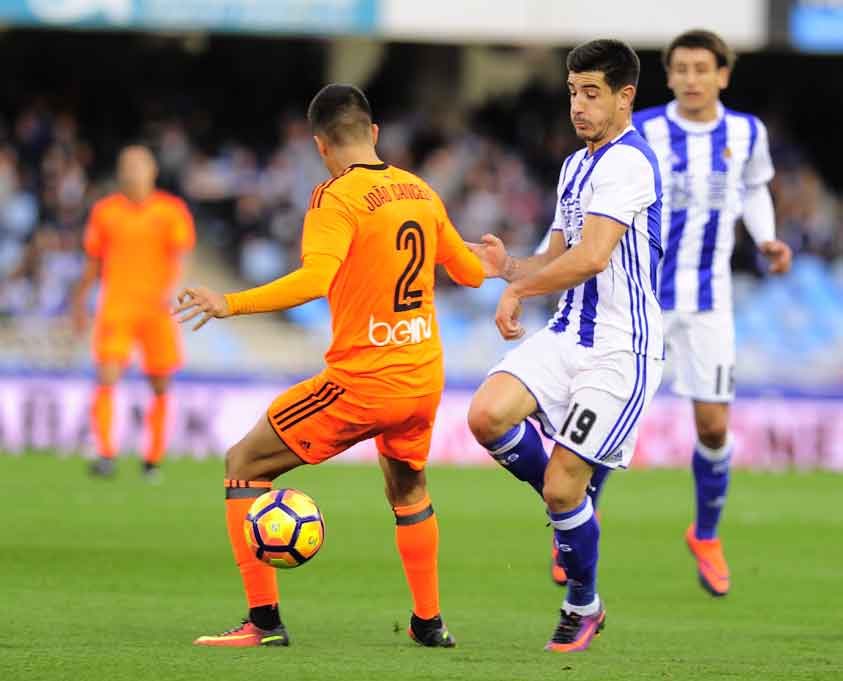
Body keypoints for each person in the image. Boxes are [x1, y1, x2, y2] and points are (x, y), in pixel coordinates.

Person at [175, 84, 486, 648]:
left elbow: (315, 280)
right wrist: (493, 262)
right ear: (373, 133)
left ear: (320, 145)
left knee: (244, 461)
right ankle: (429, 622)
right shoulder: (420, 190)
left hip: (366, 380)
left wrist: (231, 302)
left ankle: (263, 624)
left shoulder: (334, 197)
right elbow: (467, 272)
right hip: (422, 375)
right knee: (408, 488)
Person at [467, 39, 664, 652]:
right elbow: (557, 253)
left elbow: (592, 257)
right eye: (572, 92)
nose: (577, 106)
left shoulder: (630, 163)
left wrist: (522, 286)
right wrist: (511, 271)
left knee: (560, 487)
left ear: (624, 96)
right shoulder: (575, 164)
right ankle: (571, 511)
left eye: (591, 93)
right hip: (565, 335)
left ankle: (584, 603)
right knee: (486, 415)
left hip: (618, 350)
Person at [588, 29, 791, 597]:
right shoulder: (643, 129)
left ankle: (705, 534)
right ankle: (581, 524)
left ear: (722, 75)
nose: (693, 78)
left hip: (709, 302)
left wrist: (768, 239)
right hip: (641, 297)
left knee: (714, 425)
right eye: (682, 68)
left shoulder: (747, 133)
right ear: (669, 74)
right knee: (613, 417)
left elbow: (754, 189)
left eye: (704, 68)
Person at [73, 145, 195, 481]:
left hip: (156, 309)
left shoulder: (171, 211)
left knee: (160, 383)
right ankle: (105, 454)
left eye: (139, 166)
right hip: (117, 306)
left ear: (152, 171)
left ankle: (152, 459)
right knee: (107, 375)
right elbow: (92, 262)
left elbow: (180, 258)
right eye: (127, 166)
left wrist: (174, 294)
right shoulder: (105, 212)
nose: (133, 172)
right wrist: (79, 302)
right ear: (119, 172)